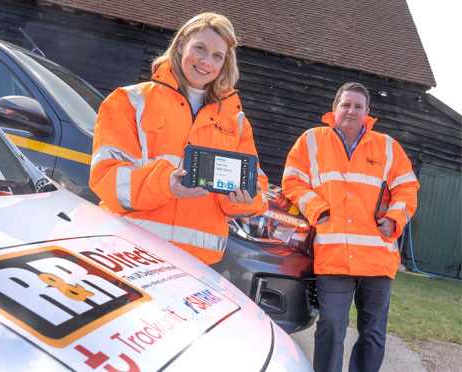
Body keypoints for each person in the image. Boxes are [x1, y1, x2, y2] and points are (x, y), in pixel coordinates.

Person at [89, 12, 268, 265]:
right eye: (200, 48)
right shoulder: (129, 101)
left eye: (218, 56)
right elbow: (105, 178)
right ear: (182, 44)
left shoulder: (236, 121)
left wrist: (242, 199)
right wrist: (166, 184)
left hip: (195, 265)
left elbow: (257, 190)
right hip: (129, 250)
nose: (207, 61)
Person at [282, 82, 419, 372]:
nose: (351, 111)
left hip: (377, 258)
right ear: (335, 109)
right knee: (331, 326)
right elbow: (293, 181)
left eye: (358, 106)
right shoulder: (311, 140)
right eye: (346, 105)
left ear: (367, 113)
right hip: (334, 257)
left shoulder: (388, 147)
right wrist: (317, 209)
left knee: (372, 333)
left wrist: (394, 218)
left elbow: (407, 187)